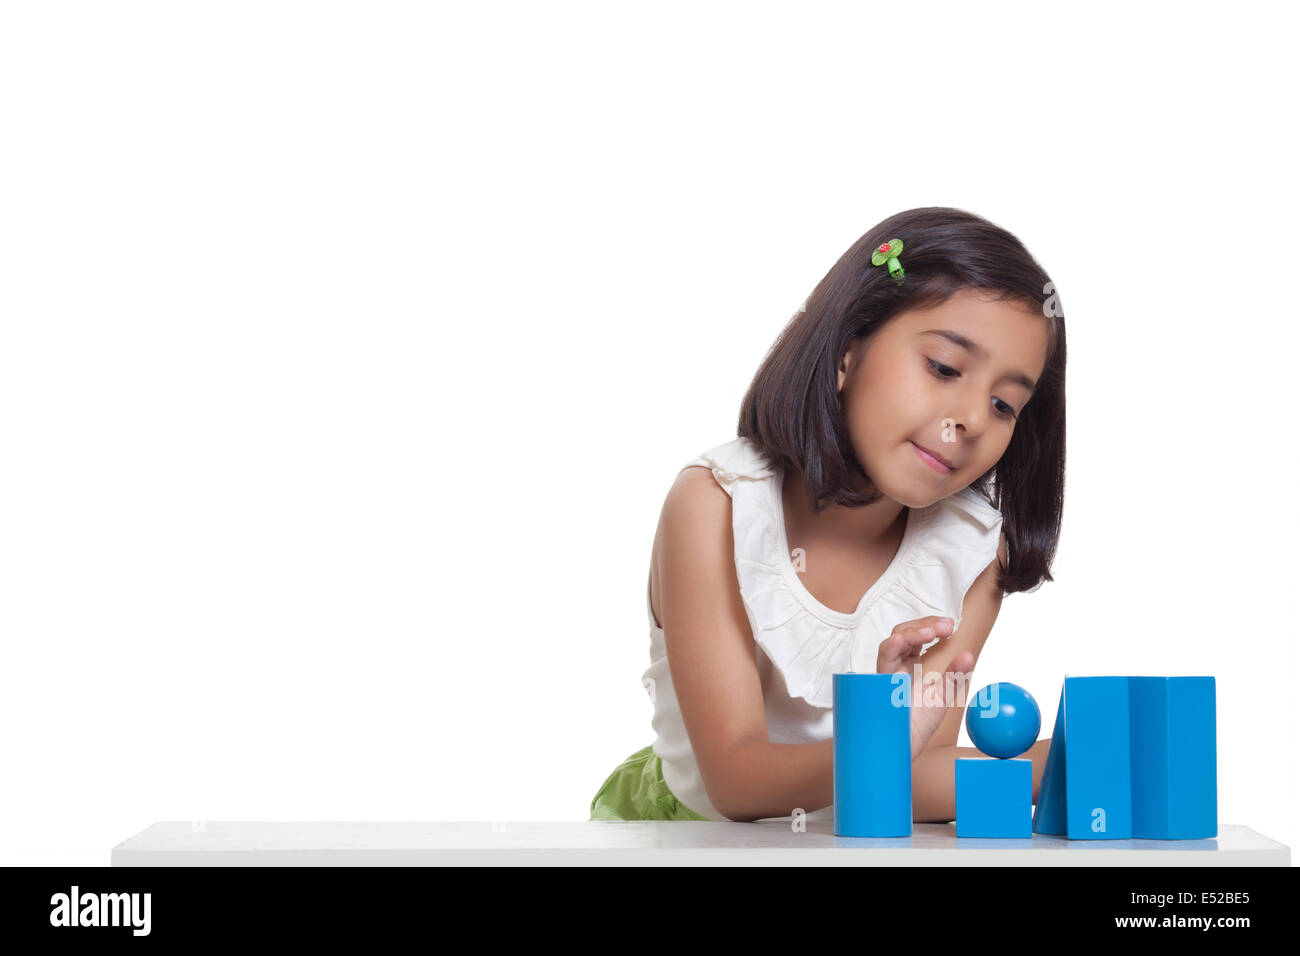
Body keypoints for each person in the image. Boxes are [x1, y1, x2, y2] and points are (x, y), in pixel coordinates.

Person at [589, 207, 1066, 823]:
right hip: (688, 838)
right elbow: (737, 781)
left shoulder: (970, 554)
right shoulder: (719, 507)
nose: (971, 419)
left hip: (841, 843)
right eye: (945, 368)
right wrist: (880, 743)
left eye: (1004, 404)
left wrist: (1041, 765)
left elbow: (911, 777)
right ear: (848, 349)